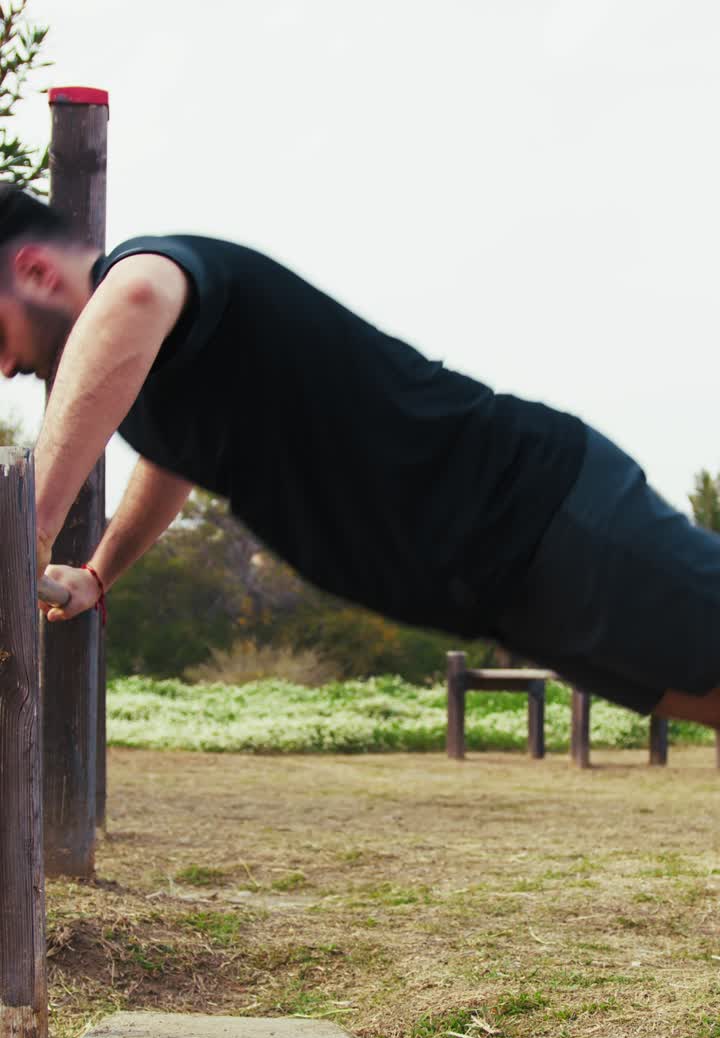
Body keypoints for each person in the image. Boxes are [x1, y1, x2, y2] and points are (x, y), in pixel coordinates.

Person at [1, 181, 718, 730]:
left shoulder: (146, 273)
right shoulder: (162, 386)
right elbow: (173, 463)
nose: (3, 369)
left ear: (34, 272)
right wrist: (99, 572)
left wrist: (28, 524)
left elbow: (132, 297)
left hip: (538, 514)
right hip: (503, 589)